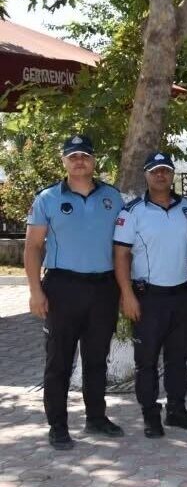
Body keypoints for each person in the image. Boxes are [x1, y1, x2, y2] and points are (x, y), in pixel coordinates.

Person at [25, 135, 124, 450]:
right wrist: (35, 291)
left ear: (94, 161)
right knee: (59, 360)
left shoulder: (113, 197)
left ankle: (96, 417)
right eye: (73, 156)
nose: (79, 161)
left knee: (96, 358)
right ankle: (58, 426)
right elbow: (32, 247)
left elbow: (123, 247)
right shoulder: (47, 198)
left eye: (85, 156)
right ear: (64, 161)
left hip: (103, 287)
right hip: (63, 287)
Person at [113, 152, 187, 438]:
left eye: (165, 170)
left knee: (178, 358)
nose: (161, 175)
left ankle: (177, 410)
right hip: (148, 297)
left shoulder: (186, 207)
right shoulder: (132, 212)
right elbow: (121, 255)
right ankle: (150, 415)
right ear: (146, 175)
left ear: (172, 174)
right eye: (155, 171)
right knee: (147, 361)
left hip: (181, 294)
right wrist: (127, 294)